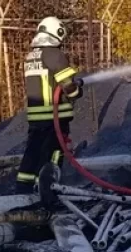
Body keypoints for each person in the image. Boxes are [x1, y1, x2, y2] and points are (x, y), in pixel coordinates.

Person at [17, 16, 83, 193]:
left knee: (33, 152)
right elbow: (68, 86)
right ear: (58, 33)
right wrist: (76, 91)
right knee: (54, 154)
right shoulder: (54, 55)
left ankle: (23, 187)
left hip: (36, 117)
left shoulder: (31, 56)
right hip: (54, 117)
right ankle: (47, 189)